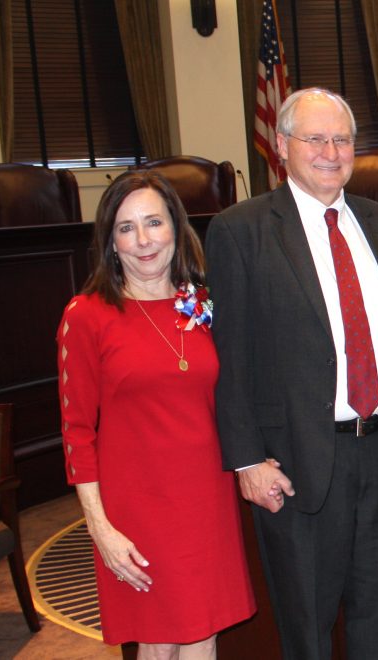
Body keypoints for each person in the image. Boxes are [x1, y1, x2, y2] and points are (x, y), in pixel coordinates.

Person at [205, 88, 378, 659]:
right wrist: (246, 460)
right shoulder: (242, 231)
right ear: (283, 145)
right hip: (298, 462)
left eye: (342, 140)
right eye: (316, 139)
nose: (331, 152)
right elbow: (230, 356)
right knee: (307, 624)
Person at [57, 171, 254, 659]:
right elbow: (76, 431)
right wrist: (99, 528)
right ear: (110, 241)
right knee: (158, 640)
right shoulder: (87, 315)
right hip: (137, 509)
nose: (143, 240)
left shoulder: (205, 306)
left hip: (206, 499)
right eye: (126, 228)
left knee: (204, 631)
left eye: (153, 222)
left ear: (176, 229)